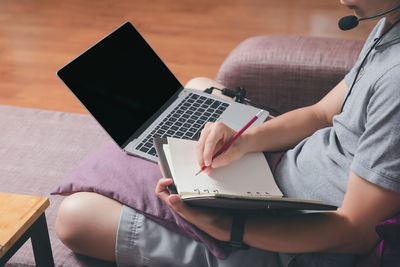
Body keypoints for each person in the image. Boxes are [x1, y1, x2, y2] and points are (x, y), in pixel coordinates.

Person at [55, 0, 400, 266]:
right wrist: (243, 140)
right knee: (198, 88)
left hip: (292, 242)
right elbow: (323, 113)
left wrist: (225, 227)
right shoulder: (389, 22)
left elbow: (356, 232)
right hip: (289, 173)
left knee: (74, 217)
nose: (341, 1)